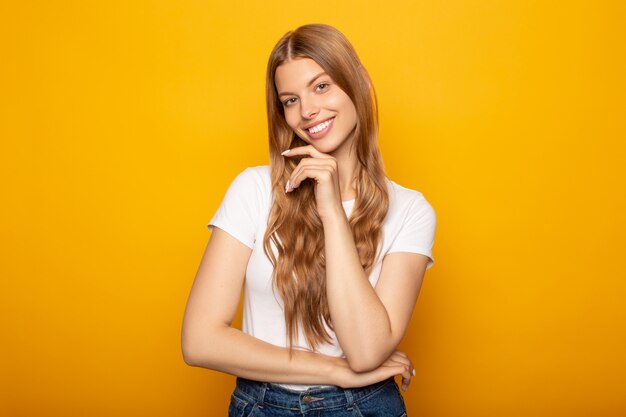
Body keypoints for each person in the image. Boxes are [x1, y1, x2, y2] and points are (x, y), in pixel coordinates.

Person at [181, 23, 436, 416]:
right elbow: (199, 340)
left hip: (364, 407)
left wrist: (332, 211)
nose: (307, 111)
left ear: (360, 82)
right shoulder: (254, 189)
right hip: (262, 405)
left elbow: (367, 350)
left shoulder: (411, 210)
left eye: (321, 86)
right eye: (290, 100)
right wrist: (335, 370)